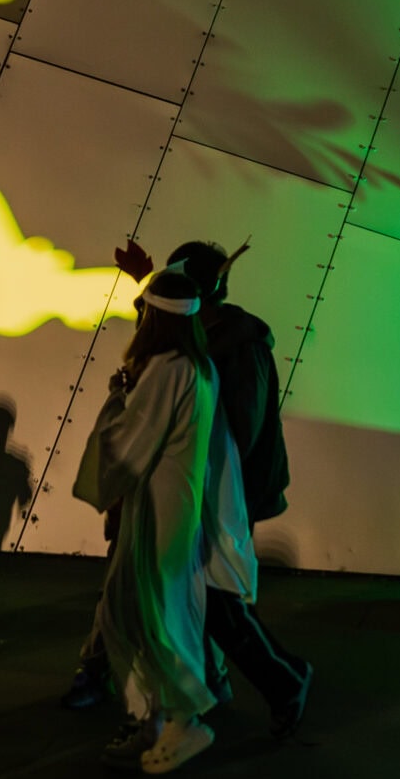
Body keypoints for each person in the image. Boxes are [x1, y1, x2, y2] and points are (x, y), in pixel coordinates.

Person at [66, 239, 311, 733]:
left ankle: (261, 684)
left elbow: (234, 434)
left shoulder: (219, 351)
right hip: (184, 497)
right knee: (180, 598)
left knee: (204, 603)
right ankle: (151, 684)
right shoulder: (195, 346)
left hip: (199, 499)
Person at [72, 268, 250, 775]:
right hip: (176, 506)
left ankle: (183, 716)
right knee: (146, 611)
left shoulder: (168, 369)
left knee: (145, 613)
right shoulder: (197, 366)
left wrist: (115, 400)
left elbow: (130, 440)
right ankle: (151, 718)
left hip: (158, 509)